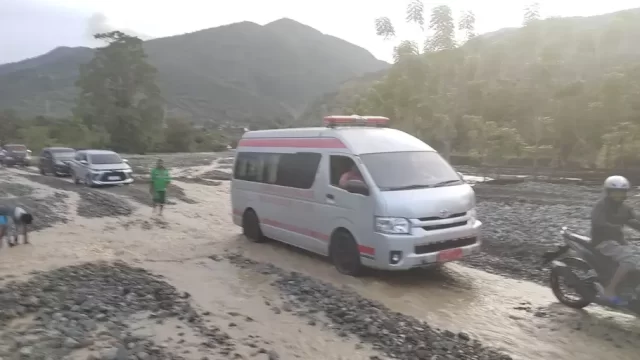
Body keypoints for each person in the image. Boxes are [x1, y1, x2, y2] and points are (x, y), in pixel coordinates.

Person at [591, 175, 640, 305]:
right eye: (614, 193)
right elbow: (597, 221)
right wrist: (614, 226)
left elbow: (635, 221)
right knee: (631, 259)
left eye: (621, 193)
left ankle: (629, 285)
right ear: (608, 192)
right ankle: (609, 290)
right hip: (603, 242)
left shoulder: (626, 208)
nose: (617, 196)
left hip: (619, 241)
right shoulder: (601, 205)